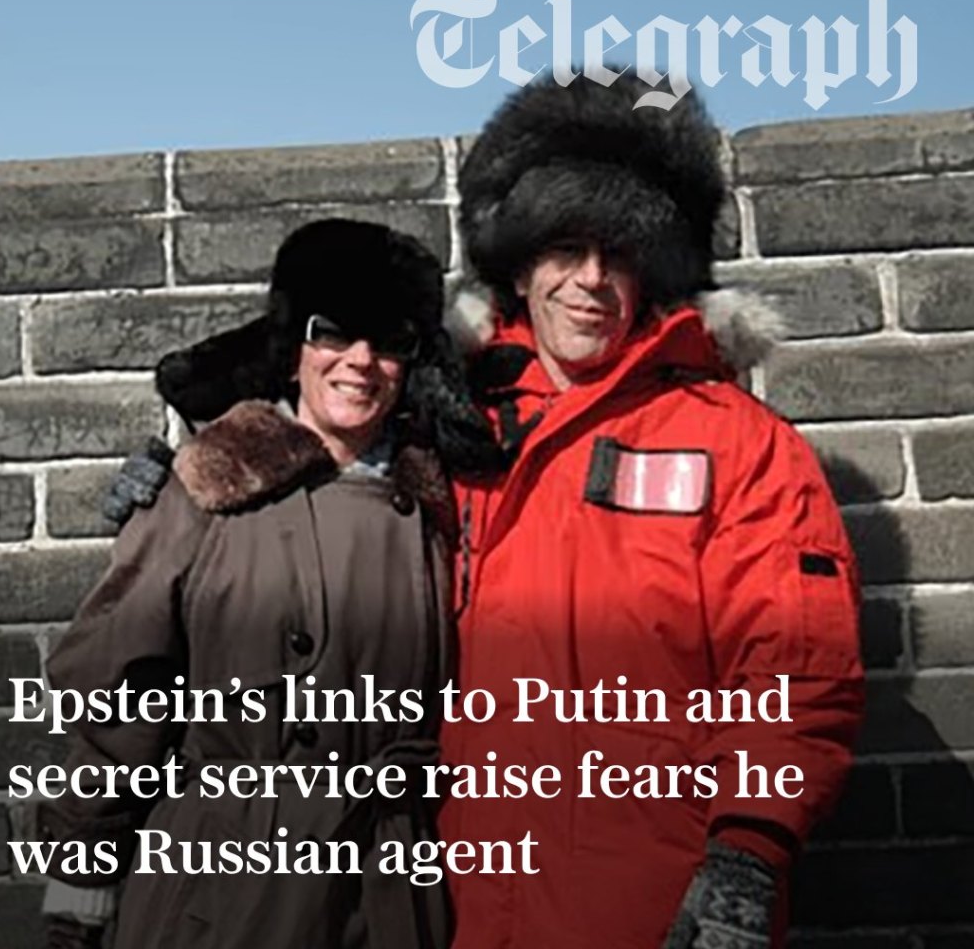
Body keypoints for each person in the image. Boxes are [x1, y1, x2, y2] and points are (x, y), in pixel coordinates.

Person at [101, 74, 864, 949]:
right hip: (450, 905)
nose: (591, 279)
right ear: (520, 263)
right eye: (565, 247)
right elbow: (316, 447)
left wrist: (749, 854)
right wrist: (182, 478)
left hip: (650, 904)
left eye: (620, 253)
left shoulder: (741, 445)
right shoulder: (451, 427)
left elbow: (796, 665)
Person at [40, 219, 470, 949]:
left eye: (390, 340)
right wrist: (82, 870)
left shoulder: (444, 505)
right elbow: (121, 687)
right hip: (229, 878)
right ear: (293, 347)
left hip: (390, 883)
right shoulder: (207, 486)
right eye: (334, 332)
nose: (360, 361)